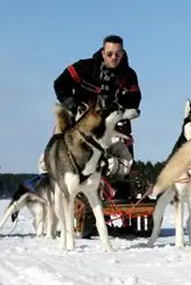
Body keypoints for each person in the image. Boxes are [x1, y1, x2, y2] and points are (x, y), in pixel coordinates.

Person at [40, 35, 142, 179]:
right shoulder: (85, 67)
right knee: (62, 142)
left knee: (123, 154)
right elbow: (60, 83)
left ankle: (117, 179)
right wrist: (70, 103)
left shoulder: (129, 75)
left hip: (109, 124)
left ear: (122, 53)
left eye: (117, 54)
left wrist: (120, 108)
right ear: (103, 53)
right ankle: (48, 173)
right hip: (80, 120)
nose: (114, 57)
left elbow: (134, 100)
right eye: (109, 54)